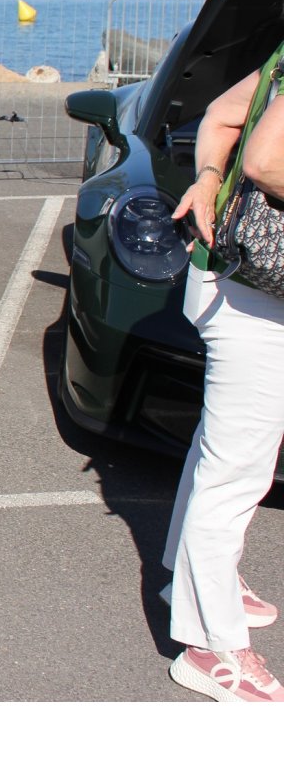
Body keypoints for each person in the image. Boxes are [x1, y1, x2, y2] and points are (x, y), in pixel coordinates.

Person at [164, 42, 284, 703]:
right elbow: (268, 161)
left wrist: (209, 176)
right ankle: (211, 648)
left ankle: (190, 577)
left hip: (229, 276)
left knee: (222, 453)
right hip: (257, 293)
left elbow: (221, 112)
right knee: (235, 469)